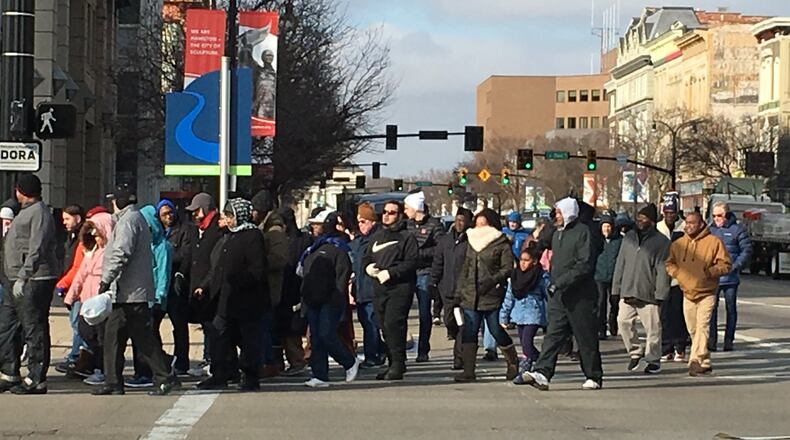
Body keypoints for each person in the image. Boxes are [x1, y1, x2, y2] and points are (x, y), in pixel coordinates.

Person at [92, 185, 178, 396]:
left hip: (131, 293)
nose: (111, 204)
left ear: (120, 201)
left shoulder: (129, 221)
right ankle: (113, 381)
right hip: (126, 293)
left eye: (113, 200)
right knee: (114, 337)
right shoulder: (133, 219)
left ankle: (164, 378)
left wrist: (106, 280)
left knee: (144, 339)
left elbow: (121, 252)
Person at [520, 197, 603, 391]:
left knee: (585, 337)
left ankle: (593, 375)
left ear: (568, 213)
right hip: (558, 294)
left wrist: (562, 281)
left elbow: (585, 264)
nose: (555, 216)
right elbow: (541, 246)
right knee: (553, 334)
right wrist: (532, 251)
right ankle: (542, 372)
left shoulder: (583, 232)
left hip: (580, 295)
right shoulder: (557, 233)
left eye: (558, 212)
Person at [196, 198, 267, 391]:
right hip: (225, 298)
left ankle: (250, 376)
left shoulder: (252, 236)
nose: (227, 220)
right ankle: (221, 372)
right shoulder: (230, 235)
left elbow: (257, 270)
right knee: (220, 335)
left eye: (229, 216)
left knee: (246, 339)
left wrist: (237, 279)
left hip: (245, 299)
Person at [0, 174, 60, 394]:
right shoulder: (24, 213)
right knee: (8, 326)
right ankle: (10, 372)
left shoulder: (39, 213)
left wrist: (25, 275)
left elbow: (37, 247)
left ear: (20, 191)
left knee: (33, 327)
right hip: (13, 278)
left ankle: (36, 378)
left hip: (34, 279)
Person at [454, 208, 518, 383]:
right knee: (470, 331)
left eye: (484, 223)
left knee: (495, 329)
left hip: (491, 293)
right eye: (477, 223)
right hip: (470, 294)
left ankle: (513, 362)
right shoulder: (471, 242)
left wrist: (493, 280)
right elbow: (466, 269)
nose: (479, 226)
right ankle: (468, 371)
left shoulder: (501, 243)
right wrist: (458, 292)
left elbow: (507, 268)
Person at [666, 211, 732, 377]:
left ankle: (695, 360)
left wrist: (710, 272)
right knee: (693, 329)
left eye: (692, 223)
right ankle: (705, 362)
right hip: (687, 292)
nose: (688, 226)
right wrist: (678, 274)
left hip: (707, 292)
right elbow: (669, 263)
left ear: (701, 224)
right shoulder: (678, 244)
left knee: (703, 327)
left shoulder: (714, 242)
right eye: (687, 223)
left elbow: (726, 265)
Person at [299, 211, 360, 388]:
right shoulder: (313, 248)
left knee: (326, 334)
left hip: (330, 299)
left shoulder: (341, 248)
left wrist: (338, 298)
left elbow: (343, 275)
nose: (315, 228)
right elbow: (303, 271)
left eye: (319, 224)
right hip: (312, 298)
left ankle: (349, 361)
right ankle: (320, 375)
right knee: (316, 338)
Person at [363, 200, 419, 380]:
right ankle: (392, 362)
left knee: (394, 324)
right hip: (380, 287)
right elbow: (367, 256)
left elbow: (412, 262)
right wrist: (368, 267)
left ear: (400, 215)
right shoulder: (377, 236)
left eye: (392, 212)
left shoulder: (406, 237)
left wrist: (392, 272)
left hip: (400, 287)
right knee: (383, 326)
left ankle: (398, 364)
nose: (386, 215)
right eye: (384, 212)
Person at [612, 203, 671, 374]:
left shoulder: (662, 242)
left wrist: (661, 292)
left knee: (653, 328)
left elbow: (662, 269)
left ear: (652, 221)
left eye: (644, 217)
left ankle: (653, 359)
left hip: (649, 291)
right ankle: (635, 352)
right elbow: (620, 263)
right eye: (639, 217)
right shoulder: (629, 237)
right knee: (623, 321)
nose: (640, 220)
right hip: (628, 289)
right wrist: (616, 289)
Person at [126, 205, 175, 388]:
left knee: (147, 337)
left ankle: (149, 372)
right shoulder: (146, 245)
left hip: (154, 300)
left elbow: (163, 274)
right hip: (143, 296)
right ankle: (151, 369)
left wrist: (159, 297)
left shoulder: (163, 246)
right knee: (144, 336)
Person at [65, 212, 114, 386]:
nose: (94, 236)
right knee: (85, 330)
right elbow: (81, 274)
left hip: (102, 302)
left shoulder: (112, 252)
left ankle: (103, 370)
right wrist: (71, 297)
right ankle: (97, 366)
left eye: (97, 232)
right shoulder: (92, 251)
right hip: (87, 301)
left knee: (102, 336)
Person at [251, 190, 290, 378]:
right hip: (264, 287)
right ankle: (267, 361)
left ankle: (269, 362)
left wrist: (260, 261)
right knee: (263, 327)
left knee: (265, 327)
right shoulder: (264, 228)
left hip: (271, 287)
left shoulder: (275, 231)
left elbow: (281, 258)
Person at [184, 192, 223, 377]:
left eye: (197, 210)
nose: (194, 214)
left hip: (211, 287)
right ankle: (209, 358)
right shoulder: (197, 229)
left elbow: (215, 262)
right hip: (198, 286)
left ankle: (213, 359)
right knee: (206, 324)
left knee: (212, 325)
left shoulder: (217, 230)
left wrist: (205, 284)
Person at [404, 191, 444, 362]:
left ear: (415, 207)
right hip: (407, 272)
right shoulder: (406, 225)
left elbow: (441, 248)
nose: (405, 211)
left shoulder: (435, 225)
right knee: (402, 310)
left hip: (425, 272)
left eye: (407, 207)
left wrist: (420, 254)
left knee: (424, 312)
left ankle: (423, 349)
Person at [156, 199, 194, 376]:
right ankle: (161, 358)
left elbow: (186, 253)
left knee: (179, 324)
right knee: (152, 324)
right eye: (164, 214)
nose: (168, 217)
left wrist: (166, 255)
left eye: (170, 213)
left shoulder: (184, 229)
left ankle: (182, 361)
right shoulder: (157, 231)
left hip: (176, 282)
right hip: (160, 284)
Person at [431, 208, 472, 370]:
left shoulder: (471, 241)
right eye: (457, 219)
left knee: (463, 325)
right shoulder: (446, 241)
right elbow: (438, 263)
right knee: (450, 321)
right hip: (447, 289)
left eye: (462, 220)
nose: (459, 223)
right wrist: (433, 282)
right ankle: (455, 337)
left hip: (465, 291)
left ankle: (459, 357)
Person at [708, 202, 752, 352]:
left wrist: (734, 266)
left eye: (719, 216)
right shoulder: (710, 230)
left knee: (730, 309)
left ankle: (729, 340)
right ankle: (711, 340)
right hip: (713, 278)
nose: (716, 219)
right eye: (714, 216)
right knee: (711, 310)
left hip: (730, 278)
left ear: (726, 215)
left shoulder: (737, 230)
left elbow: (746, 250)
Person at [503, 242, 548, 379]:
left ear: (534, 262)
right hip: (518, 315)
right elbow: (509, 297)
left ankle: (526, 368)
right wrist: (504, 316)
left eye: (526, 261)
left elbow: (548, 296)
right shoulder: (515, 276)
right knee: (524, 343)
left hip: (533, 314)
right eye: (521, 260)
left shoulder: (540, 276)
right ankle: (542, 362)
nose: (523, 263)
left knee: (527, 343)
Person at [350, 203, 386, 369]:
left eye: (364, 221)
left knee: (372, 324)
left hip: (373, 288)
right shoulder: (358, 241)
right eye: (359, 221)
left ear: (372, 221)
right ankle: (381, 351)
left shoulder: (378, 239)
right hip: (360, 288)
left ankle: (373, 356)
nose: (360, 225)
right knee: (367, 323)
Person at [276, 207, 311, 376]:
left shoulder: (292, 240)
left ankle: (296, 361)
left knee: (290, 329)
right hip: (294, 287)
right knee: (288, 328)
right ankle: (290, 361)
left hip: (290, 287)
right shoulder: (304, 238)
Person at [54, 205, 86, 373]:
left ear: (78, 218)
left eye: (67, 219)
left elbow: (78, 267)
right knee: (77, 324)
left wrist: (63, 283)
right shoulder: (73, 237)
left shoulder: (82, 239)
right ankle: (77, 356)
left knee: (78, 324)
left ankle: (78, 357)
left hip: (79, 289)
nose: (64, 222)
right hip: (74, 287)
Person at [657, 195, 689, 361]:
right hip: (661, 278)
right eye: (667, 212)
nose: (670, 215)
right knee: (663, 315)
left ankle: (680, 346)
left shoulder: (684, 228)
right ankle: (666, 347)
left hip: (679, 279)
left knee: (679, 314)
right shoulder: (658, 228)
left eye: (673, 212)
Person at [594, 214, 622, 339]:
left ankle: (613, 322)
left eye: (609, 226)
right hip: (599, 276)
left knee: (614, 301)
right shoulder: (597, 240)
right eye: (604, 226)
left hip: (614, 276)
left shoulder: (619, 241)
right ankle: (600, 328)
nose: (606, 229)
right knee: (600, 303)